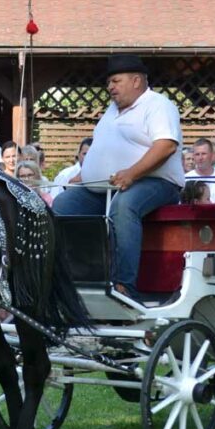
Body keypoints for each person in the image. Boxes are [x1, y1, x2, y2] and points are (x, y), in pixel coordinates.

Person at [52, 54, 184, 299]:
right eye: (109, 82)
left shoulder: (158, 105)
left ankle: (123, 286)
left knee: (123, 206)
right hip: (106, 186)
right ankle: (81, 277)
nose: (109, 87)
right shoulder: (111, 111)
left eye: (115, 81)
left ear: (136, 81)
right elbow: (104, 146)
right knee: (63, 205)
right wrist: (85, 173)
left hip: (156, 183)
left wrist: (132, 174)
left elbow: (166, 146)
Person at [185, 138, 215, 202]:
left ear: (211, 155)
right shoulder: (185, 178)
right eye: (197, 154)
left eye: (204, 154)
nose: (200, 158)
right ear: (193, 156)